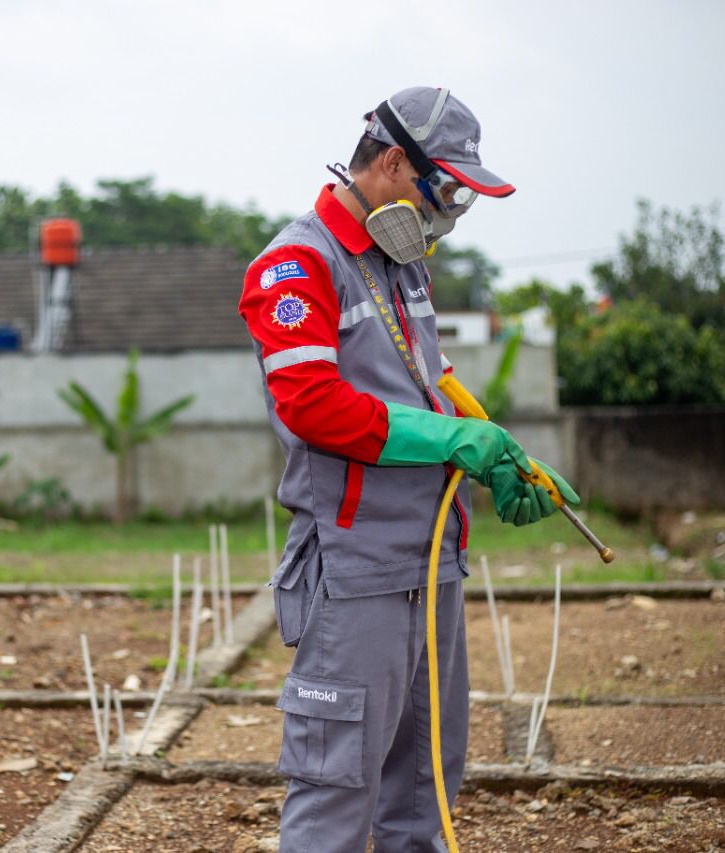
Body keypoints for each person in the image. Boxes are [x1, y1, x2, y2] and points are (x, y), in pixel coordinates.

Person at [238, 86, 580, 852]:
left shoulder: (404, 268)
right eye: (448, 188)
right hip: (358, 571)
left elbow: (434, 386)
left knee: (425, 793)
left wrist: (499, 451)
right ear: (393, 161)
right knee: (336, 795)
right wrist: (453, 442)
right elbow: (313, 405)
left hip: (433, 563)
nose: (452, 210)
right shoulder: (296, 264)